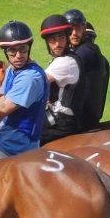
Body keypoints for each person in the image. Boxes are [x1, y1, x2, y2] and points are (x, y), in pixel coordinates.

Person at [0, 20, 49, 163]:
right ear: (5, 52)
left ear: (29, 48)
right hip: (5, 137)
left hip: (16, 146)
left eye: (23, 49)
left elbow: (1, 110)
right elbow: (1, 101)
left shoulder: (30, 77)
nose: (18, 55)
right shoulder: (12, 70)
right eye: (12, 51)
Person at [38, 14, 83, 145]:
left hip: (60, 123)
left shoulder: (66, 62)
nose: (57, 44)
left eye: (61, 38)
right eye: (52, 40)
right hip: (59, 118)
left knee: (22, 134)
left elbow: (35, 84)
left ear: (67, 38)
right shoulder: (65, 59)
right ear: (47, 42)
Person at [63, 9, 110, 131]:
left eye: (77, 28)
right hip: (88, 119)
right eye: (70, 29)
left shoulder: (86, 52)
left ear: (83, 29)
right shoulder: (98, 56)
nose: (74, 33)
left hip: (78, 121)